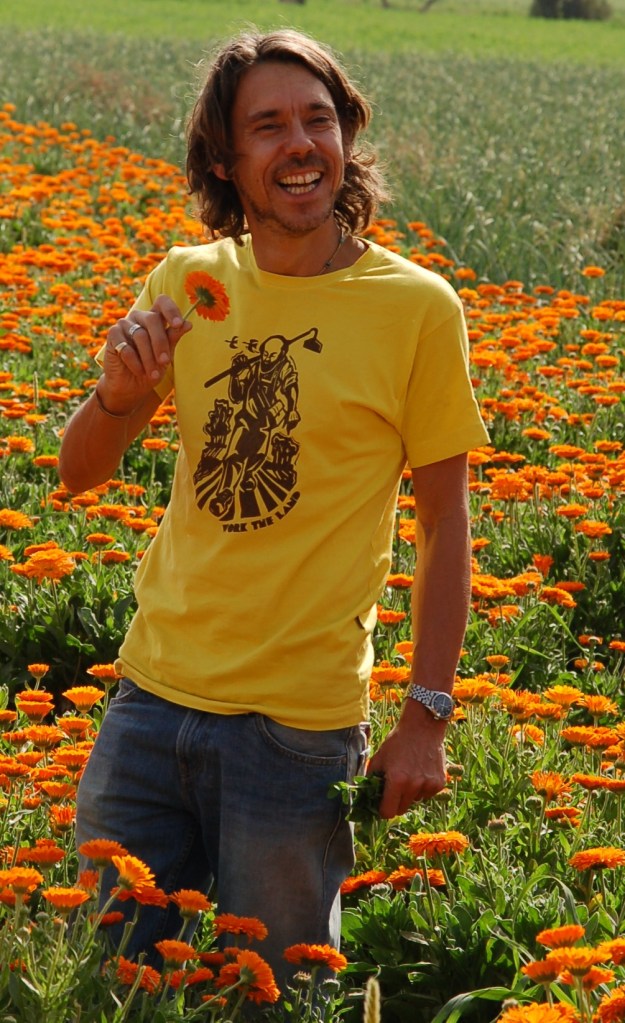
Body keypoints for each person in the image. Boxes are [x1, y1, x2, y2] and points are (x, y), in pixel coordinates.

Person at [58, 28, 488, 991]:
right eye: (268, 126)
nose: (300, 143)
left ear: (345, 138)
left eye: (317, 120)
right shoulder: (187, 283)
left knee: (280, 995)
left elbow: (444, 524)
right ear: (225, 156)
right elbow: (77, 473)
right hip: (149, 702)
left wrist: (426, 715)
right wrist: (122, 396)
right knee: (115, 988)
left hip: (294, 730)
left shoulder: (417, 308)